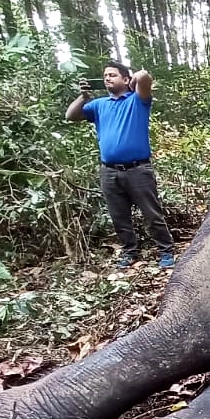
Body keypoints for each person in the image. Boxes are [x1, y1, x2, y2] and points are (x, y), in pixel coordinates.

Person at [66, 61, 176, 270]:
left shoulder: (137, 100)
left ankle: (166, 251)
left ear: (126, 79)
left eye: (113, 75)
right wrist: (84, 97)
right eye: (105, 75)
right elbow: (70, 116)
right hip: (109, 171)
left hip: (138, 169)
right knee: (119, 216)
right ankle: (130, 252)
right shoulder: (99, 105)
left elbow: (144, 76)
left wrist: (135, 81)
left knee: (151, 213)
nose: (107, 78)